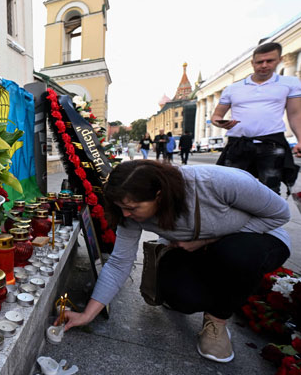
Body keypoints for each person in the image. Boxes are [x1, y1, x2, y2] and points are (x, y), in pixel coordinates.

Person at [56, 160, 290, 363]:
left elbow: (280, 214)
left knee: (237, 254)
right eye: (121, 208)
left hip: (258, 239)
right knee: (180, 297)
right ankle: (217, 285)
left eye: (132, 208)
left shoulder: (216, 182)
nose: (126, 214)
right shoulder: (128, 210)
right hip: (196, 250)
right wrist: (88, 314)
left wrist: (206, 240)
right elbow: (119, 262)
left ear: (159, 195)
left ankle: (217, 321)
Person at [211, 42, 301, 194]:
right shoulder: (233, 88)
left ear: (279, 60)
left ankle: (268, 217)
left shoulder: (289, 83)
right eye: (260, 62)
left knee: (270, 191)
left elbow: (295, 114)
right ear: (252, 63)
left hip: (271, 144)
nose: (264, 65)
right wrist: (220, 123)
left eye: (270, 61)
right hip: (238, 144)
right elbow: (216, 115)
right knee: (230, 189)